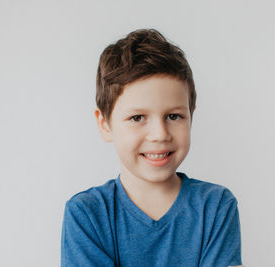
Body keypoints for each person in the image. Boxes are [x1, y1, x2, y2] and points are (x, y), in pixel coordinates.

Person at [61, 28, 243, 267]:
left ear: (191, 117)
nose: (159, 135)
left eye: (174, 116)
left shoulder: (216, 206)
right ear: (105, 125)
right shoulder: (87, 214)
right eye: (138, 118)